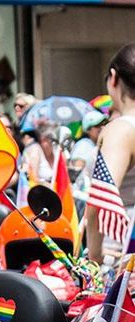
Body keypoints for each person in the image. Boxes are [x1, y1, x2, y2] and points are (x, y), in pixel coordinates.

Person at [85, 43, 135, 264]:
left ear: (113, 78)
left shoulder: (120, 130)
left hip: (122, 248)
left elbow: (101, 198)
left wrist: (94, 258)